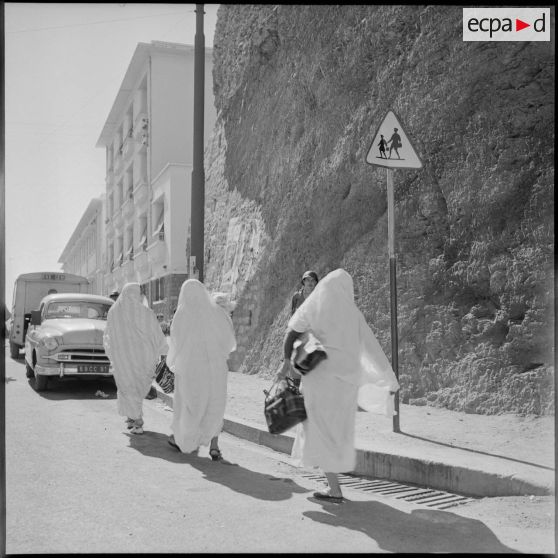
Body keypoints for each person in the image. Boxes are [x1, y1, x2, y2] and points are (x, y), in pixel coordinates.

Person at [277, 268, 400, 502]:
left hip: (318, 380)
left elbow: (291, 333)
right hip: (345, 386)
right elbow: (372, 349)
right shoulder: (354, 315)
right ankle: (332, 481)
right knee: (336, 432)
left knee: (317, 428)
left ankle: (333, 487)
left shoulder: (314, 305)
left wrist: (285, 363)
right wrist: (388, 378)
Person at [166, 280, 236, 460]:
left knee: (190, 405)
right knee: (214, 405)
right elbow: (229, 341)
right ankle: (214, 446)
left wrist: (174, 359)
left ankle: (184, 439)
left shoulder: (182, 313)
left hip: (191, 369)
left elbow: (175, 339)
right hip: (216, 369)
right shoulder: (217, 312)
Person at [103, 283, 168, 434]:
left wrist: (112, 352)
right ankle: (137, 421)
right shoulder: (145, 312)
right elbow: (157, 334)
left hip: (122, 359)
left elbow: (107, 335)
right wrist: (164, 351)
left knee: (127, 388)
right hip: (143, 358)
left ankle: (132, 419)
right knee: (137, 389)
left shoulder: (114, 311)